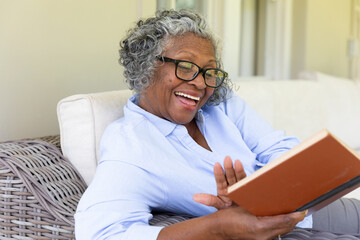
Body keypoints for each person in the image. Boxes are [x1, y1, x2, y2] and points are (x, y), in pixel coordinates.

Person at [75, 9, 360, 240]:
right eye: (185, 66)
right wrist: (219, 226)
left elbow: (278, 146)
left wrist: (263, 195)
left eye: (209, 71)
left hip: (315, 206)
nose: (200, 82)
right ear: (146, 66)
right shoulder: (131, 145)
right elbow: (101, 231)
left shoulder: (221, 105)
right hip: (296, 229)